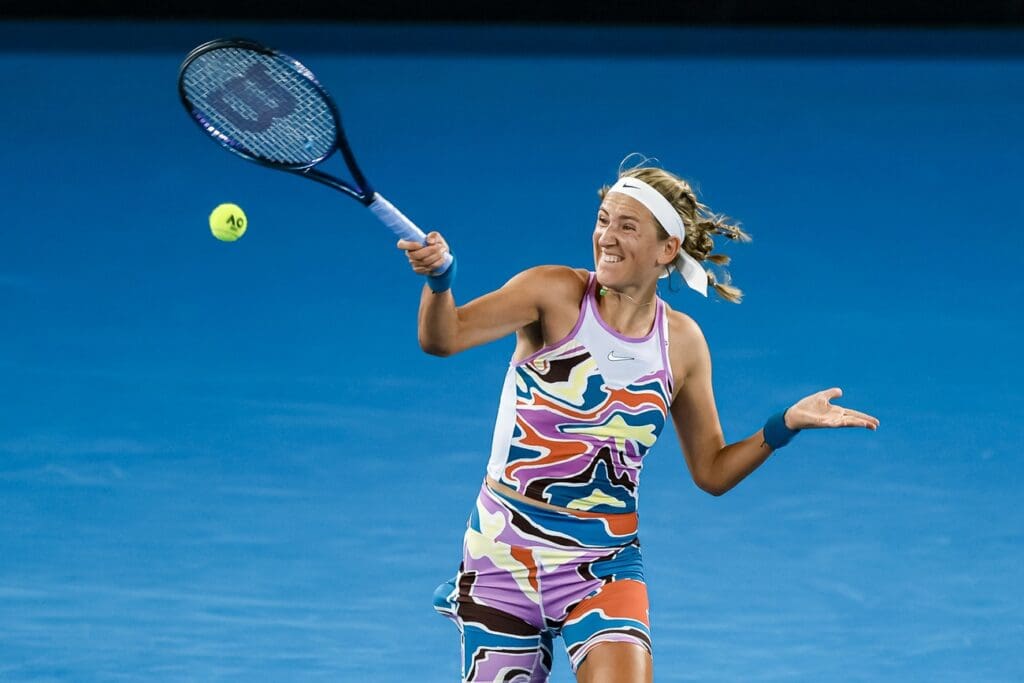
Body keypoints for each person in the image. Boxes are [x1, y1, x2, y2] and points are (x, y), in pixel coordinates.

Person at [397, 159, 879, 683]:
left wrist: (782, 425)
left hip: (603, 563)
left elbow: (712, 471)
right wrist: (441, 281)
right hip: (502, 555)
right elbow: (443, 339)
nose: (607, 236)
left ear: (666, 250)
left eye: (628, 226)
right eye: (604, 220)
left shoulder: (683, 343)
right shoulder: (552, 293)